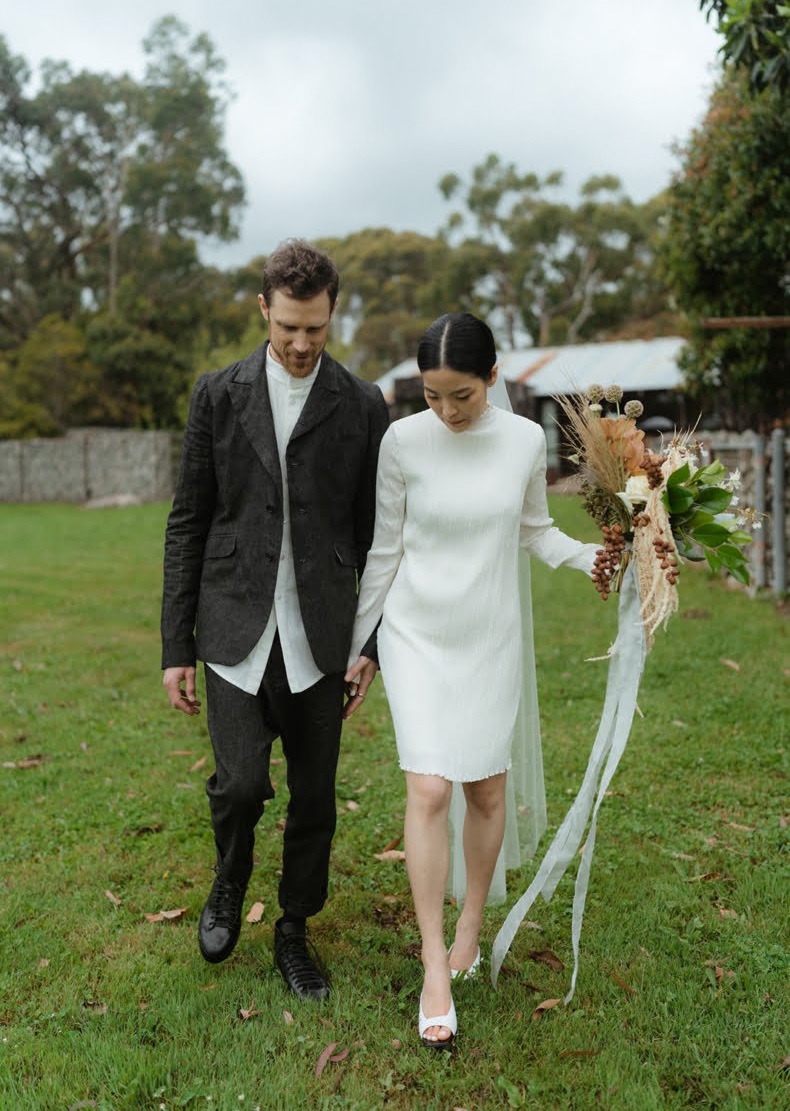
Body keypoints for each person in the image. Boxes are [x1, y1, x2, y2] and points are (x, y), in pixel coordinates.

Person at [345, 313, 600, 1046]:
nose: (448, 411)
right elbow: (385, 550)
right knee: (429, 788)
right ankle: (433, 963)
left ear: (492, 376)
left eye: (462, 394)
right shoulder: (402, 441)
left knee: (487, 790)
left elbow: (533, 530)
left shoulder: (522, 440)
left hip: (489, 635)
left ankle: (470, 927)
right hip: (417, 635)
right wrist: (360, 644)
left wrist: (599, 558)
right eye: (433, 396)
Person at [161, 239, 389, 1000]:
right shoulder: (216, 395)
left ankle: (293, 930)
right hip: (233, 627)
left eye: (315, 329)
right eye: (288, 326)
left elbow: (379, 537)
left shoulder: (363, 404)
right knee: (240, 786)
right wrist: (175, 646)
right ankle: (230, 878)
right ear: (264, 308)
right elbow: (188, 522)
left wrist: (371, 643)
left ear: (333, 315)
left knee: (314, 799)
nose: (300, 343)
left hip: (322, 637)